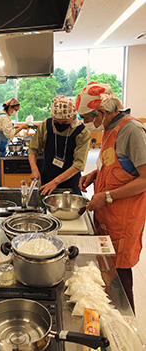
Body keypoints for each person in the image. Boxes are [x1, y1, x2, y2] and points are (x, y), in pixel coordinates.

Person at [76, 82, 146, 311]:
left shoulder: (132, 130)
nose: (86, 123)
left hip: (123, 219)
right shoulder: (109, 128)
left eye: (87, 118)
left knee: (121, 280)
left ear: (102, 112)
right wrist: (95, 175)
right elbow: (118, 166)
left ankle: (129, 333)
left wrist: (106, 196)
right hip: (107, 215)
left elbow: (144, 179)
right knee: (106, 273)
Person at [29, 95, 91, 195]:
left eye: (65, 122)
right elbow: (32, 149)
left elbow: (78, 165)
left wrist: (55, 182)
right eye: (57, 122)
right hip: (47, 177)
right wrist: (34, 169)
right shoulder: (46, 125)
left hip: (70, 181)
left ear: (73, 116)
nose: (60, 125)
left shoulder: (82, 133)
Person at [0, 98, 29, 186]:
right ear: (10, 108)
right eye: (15, 110)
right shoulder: (3, 117)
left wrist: (16, 127)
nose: (15, 112)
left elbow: (5, 128)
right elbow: (9, 134)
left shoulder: (1, 114)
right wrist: (22, 127)